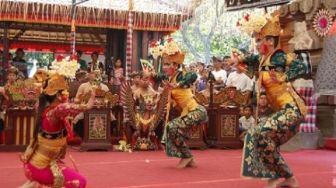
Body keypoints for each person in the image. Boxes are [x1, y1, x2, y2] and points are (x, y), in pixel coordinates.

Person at [239, 14, 307, 188]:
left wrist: (285, 76)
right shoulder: (262, 59)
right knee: (260, 137)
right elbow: (249, 60)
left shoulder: (279, 56)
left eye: (269, 39)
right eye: (261, 39)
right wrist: (236, 60)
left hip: (293, 109)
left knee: (261, 133)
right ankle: (283, 176)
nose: (264, 43)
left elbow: (302, 66)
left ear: (275, 40)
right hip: (281, 111)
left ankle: (279, 176)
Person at [20, 73, 95, 188]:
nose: (66, 95)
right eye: (64, 92)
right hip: (40, 167)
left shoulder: (43, 107)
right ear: (58, 95)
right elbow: (83, 107)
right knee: (79, 182)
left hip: (41, 163)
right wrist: (92, 95)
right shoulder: (56, 110)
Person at [153, 37, 208, 168]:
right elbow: (158, 76)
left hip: (197, 112)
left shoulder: (181, 75)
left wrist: (178, 84)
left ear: (175, 65)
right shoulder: (170, 77)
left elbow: (193, 76)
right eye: (165, 64)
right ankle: (189, 158)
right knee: (172, 129)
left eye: (167, 64)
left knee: (172, 127)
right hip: (188, 113)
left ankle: (187, 156)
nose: (165, 67)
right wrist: (149, 74)